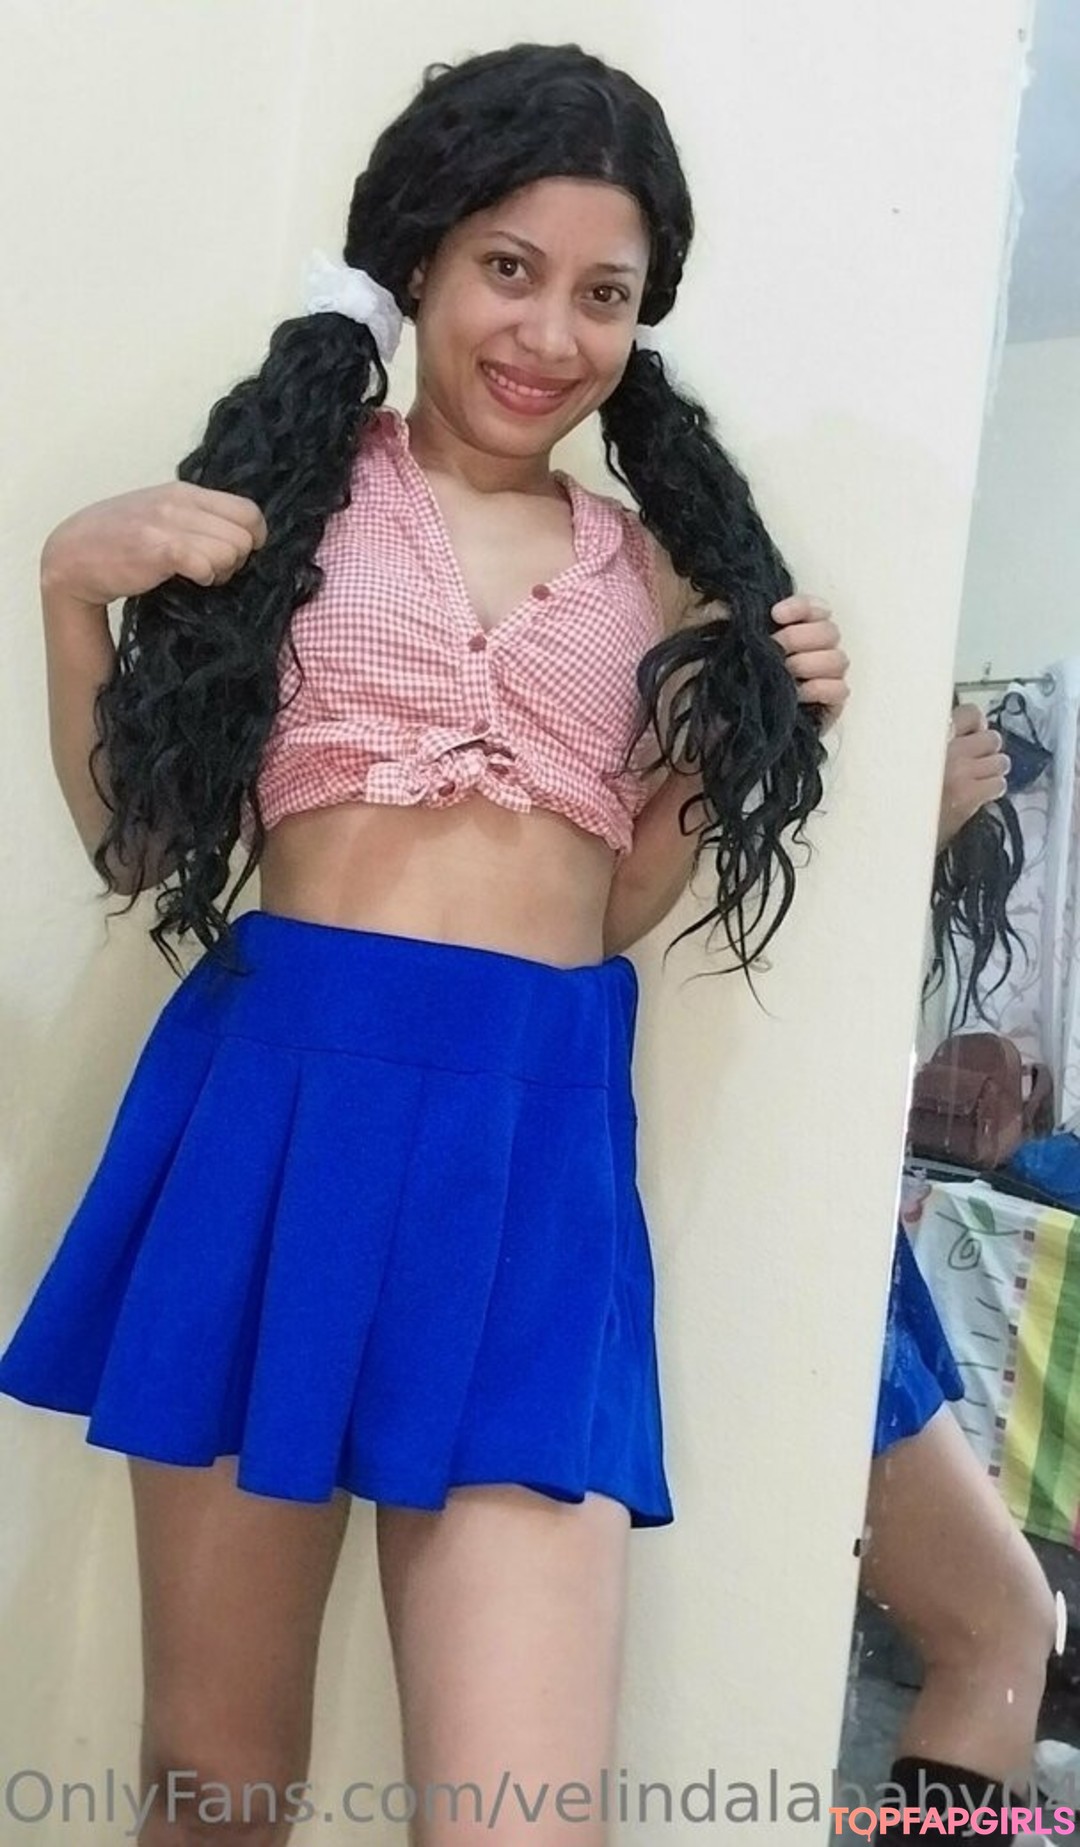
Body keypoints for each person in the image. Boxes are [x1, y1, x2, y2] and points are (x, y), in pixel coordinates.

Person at [0, 44, 851, 1847]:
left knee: (520, 1816)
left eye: (604, 291)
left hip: (533, 1146)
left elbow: (604, 907)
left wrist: (741, 736)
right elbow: (144, 845)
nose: (550, 332)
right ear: (420, 261)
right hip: (275, 1122)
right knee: (216, 1785)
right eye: (508, 268)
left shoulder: (654, 570)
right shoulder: (290, 510)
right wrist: (70, 589)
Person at [858, 703, 1061, 1842]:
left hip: (836, 1225)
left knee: (1004, 1623)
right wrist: (910, 829)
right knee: (1000, 1625)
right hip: (790, 1231)